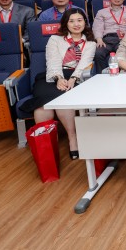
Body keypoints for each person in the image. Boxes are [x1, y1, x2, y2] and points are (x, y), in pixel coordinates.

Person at [19, 9, 96, 160]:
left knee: (63, 100)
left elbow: (84, 64)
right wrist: (58, 78)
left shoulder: (90, 43)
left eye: (79, 20)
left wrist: (73, 79)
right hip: (52, 76)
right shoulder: (55, 39)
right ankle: (46, 145)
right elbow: (52, 60)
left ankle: (72, 138)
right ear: (65, 23)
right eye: (71, 21)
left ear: (85, 22)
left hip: (76, 76)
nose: (76, 24)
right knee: (42, 106)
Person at [92, 0, 126, 71]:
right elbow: (97, 27)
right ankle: (102, 75)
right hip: (106, 40)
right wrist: (99, 39)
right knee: (98, 53)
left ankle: (122, 75)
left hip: (124, 39)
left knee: (124, 54)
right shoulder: (101, 12)